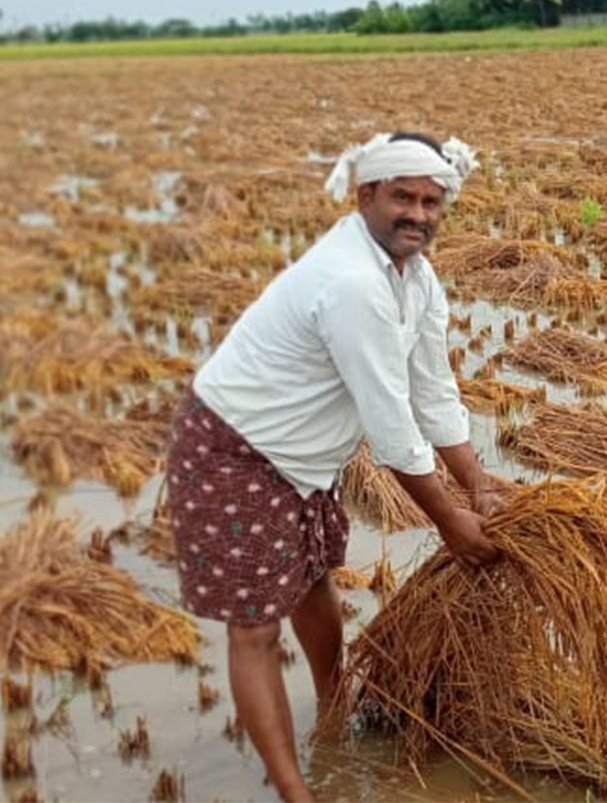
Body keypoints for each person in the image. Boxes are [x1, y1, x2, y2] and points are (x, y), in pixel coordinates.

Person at [165, 131, 500, 802]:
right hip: (236, 449)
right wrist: (452, 525)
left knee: (314, 582)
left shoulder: (416, 277)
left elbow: (431, 388)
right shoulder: (352, 282)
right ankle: (298, 793)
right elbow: (389, 422)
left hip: (303, 459)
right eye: (403, 197)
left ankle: (333, 712)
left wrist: (479, 483)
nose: (419, 214)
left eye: (432, 201)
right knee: (255, 625)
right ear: (365, 195)